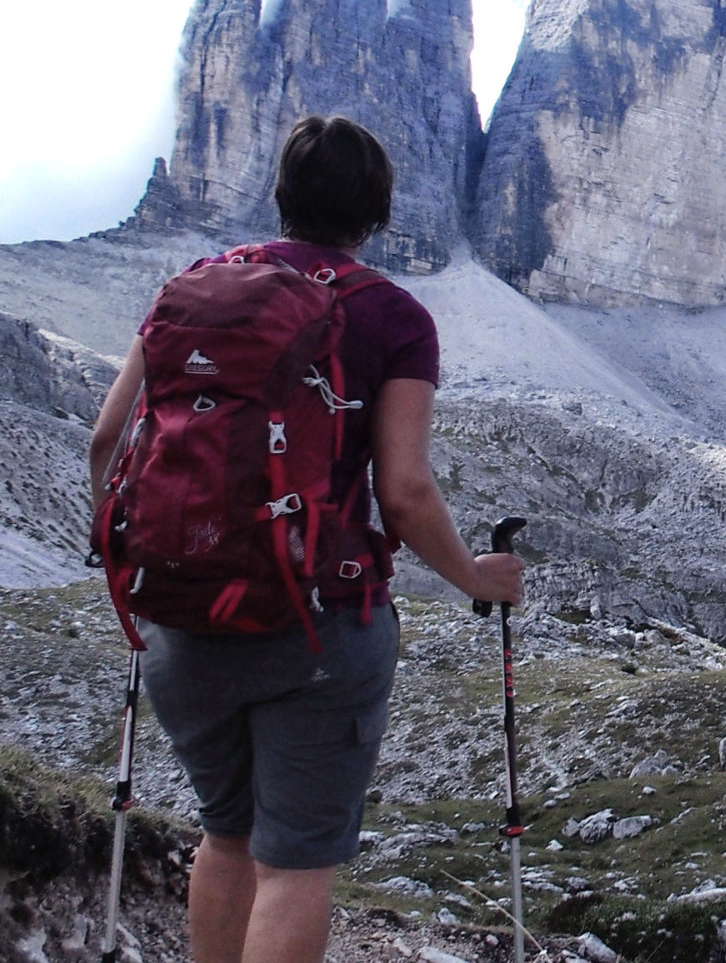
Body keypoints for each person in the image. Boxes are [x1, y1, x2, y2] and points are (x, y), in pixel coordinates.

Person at [88, 115, 525, 963]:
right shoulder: (393, 317)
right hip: (320, 625)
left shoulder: (194, 289)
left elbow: (107, 442)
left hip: (182, 615)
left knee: (226, 839)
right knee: (296, 869)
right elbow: (401, 490)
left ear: (280, 194)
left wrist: (134, 559)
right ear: (379, 210)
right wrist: (473, 575)